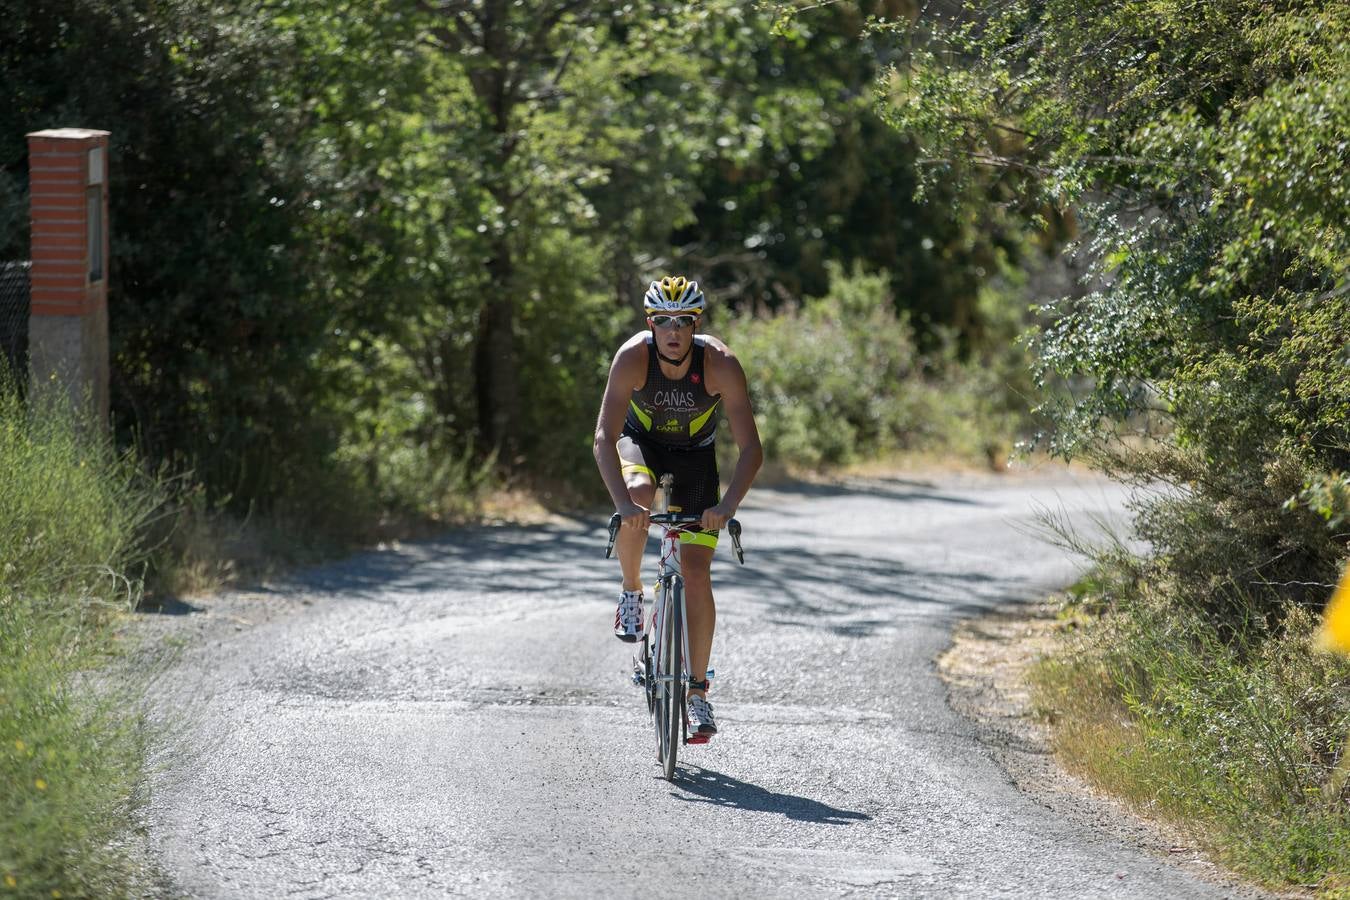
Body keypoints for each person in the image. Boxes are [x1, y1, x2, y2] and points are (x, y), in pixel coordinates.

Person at [593, 275, 763, 742]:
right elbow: (604, 437)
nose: (673, 330)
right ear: (651, 324)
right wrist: (622, 503)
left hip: (695, 459)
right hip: (640, 445)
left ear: (696, 325)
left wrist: (726, 506)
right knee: (641, 498)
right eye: (664, 321)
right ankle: (631, 592)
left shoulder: (720, 364)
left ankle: (697, 693)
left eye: (683, 322)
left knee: (696, 571)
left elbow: (750, 448)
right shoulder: (633, 358)